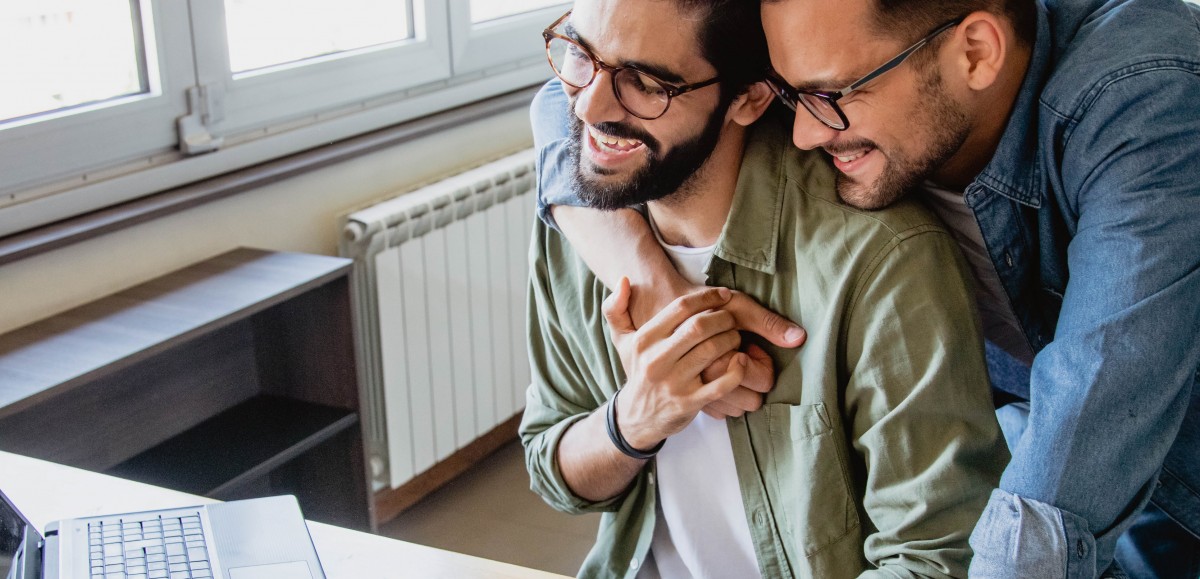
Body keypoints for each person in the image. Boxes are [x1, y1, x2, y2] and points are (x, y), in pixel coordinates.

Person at [540, 0, 1200, 576]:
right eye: (791, 94)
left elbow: (1100, 396)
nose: (801, 133)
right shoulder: (850, 67)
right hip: (1045, 486)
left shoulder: (1140, 95)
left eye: (829, 96)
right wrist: (656, 287)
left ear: (974, 52)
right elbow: (569, 100)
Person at [519, 1, 1009, 577]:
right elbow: (553, 472)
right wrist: (634, 420)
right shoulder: (580, 219)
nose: (587, 104)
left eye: (647, 84)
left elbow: (934, 560)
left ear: (749, 97)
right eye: (580, 55)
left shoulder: (880, 260)